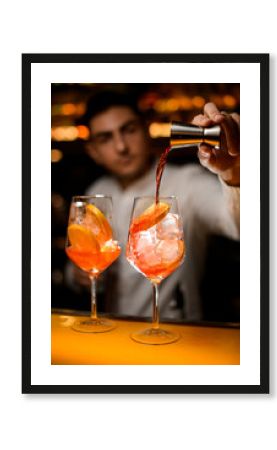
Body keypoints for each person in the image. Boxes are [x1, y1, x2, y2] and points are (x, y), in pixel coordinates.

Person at [67, 89, 240, 321]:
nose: (121, 147)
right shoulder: (97, 192)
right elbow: (82, 255)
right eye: (105, 138)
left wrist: (233, 174)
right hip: (116, 335)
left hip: (180, 333)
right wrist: (76, 275)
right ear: (93, 151)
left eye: (128, 130)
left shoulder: (187, 182)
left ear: (146, 129)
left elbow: (239, 226)